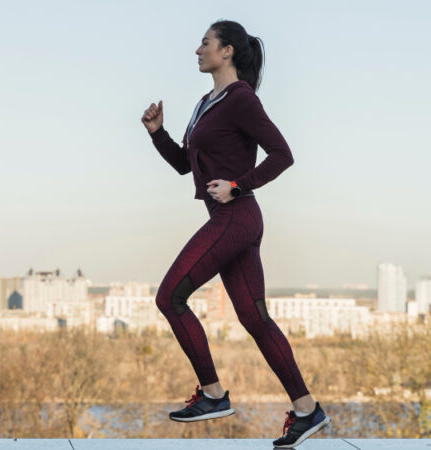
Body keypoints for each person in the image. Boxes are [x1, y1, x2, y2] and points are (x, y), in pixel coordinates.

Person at [140, 20, 331, 448]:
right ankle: (307, 409)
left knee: (169, 298)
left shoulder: (241, 98)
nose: (198, 50)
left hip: (236, 217)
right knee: (254, 319)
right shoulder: (205, 104)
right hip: (234, 221)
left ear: (227, 51)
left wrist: (238, 186)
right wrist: (157, 134)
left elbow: (282, 154)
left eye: (205, 42)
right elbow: (185, 165)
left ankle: (212, 394)